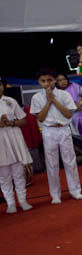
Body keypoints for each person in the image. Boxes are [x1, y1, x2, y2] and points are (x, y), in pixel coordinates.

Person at [30, 68, 82, 204]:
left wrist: (54, 100)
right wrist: (48, 101)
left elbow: (68, 114)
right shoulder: (36, 98)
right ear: (39, 82)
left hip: (64, 129)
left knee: (70, 161)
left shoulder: (63, 95)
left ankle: (75, 190)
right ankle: (55, 194)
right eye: (43, 81)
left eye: (49, 80)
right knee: (51, 164)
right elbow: (41, 118)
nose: (47, 83)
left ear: (54, 79)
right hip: (49, 130)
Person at [0, 78, 33, 213]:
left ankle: (22, 200)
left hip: (14, 138)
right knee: (4, 175)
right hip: (1, 142)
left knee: (18, 173)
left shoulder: (10, 101)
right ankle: (10, 203)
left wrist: (11, 123)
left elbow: (24, 121)